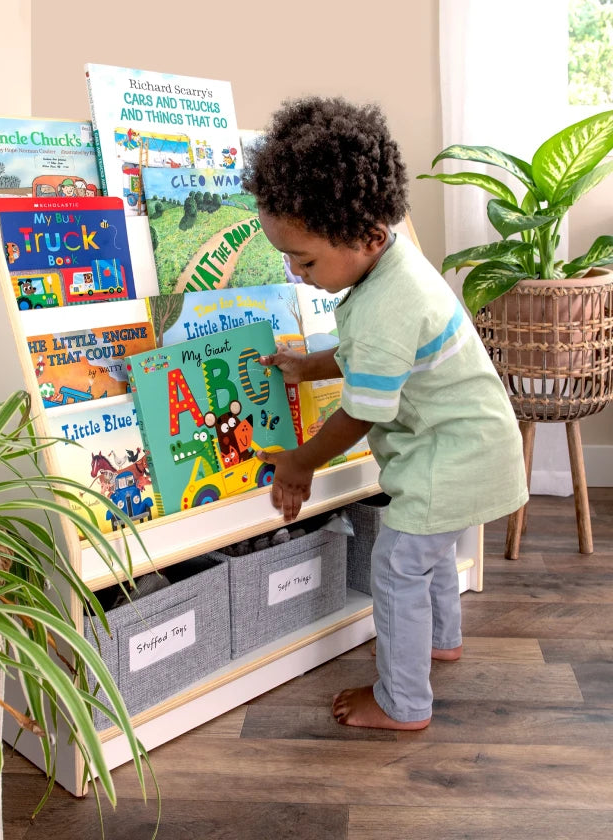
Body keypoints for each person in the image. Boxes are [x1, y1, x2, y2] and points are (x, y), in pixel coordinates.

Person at [242, 97, 528, 731]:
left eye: (306, 260)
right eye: (287, 257)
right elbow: (377, 358)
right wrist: (312, 365)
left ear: (367, 237)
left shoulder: (383, 304)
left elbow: (360, 413)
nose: (295, 272)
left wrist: (299, 463)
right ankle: (440, 640)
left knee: (398, 567)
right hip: (474, 447)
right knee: (430, 557)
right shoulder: (394, 267)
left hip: (448, 458)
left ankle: (403, 702)